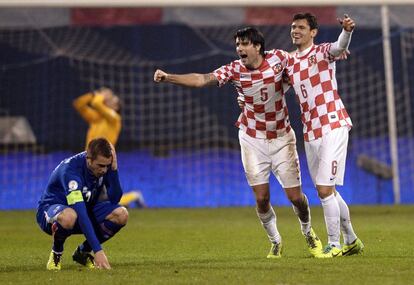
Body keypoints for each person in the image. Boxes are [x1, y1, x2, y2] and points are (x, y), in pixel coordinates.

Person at [153, 27, 323, 258]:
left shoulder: (279, 58)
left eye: (244, 44)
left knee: (296, 198)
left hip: (282, 138)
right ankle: (275, 241)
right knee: (262, 199)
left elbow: (303, 63)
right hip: (252, 139)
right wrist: (169, 77)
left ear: (257, 47)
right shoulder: (235, 69)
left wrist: (332, 53)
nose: (240, 49)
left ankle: (308, 231)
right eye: (237, 45)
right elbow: (203, 79)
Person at [285, 13, 364, 257]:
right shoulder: (289, 63)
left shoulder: (322, 52)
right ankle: (351, 239)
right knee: (329, 191)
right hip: (310, 132)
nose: (295, 30)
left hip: (333, 124)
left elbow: (339, 46)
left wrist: (347, 31)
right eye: (293, 27)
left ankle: (334, 244)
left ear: (313, 32)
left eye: (301, 27)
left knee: (323, 189)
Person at [36, 137, 128, 270]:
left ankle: (82, 252)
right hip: (52, 212)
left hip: (83, 209)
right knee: (69, 216)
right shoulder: (71, 171)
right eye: (101, 166)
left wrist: (114, 170)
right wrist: (98, 250)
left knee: (121, 214)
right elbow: (80, 212)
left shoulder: (104, 167)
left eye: (107, 166)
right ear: (88, 159)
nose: (104, 170)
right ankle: (56, 253)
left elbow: (115, 199)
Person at [73, 88, 145, 208]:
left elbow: (96, 103)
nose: (109, 100)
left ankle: (134, 196)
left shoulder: (115, 119)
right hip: (88, 160)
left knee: (103, 200)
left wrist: (101, 95)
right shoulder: (96, 118)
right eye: (109, 99)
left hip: (103, 162)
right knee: (93, 198)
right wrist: (92, 94)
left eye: (113, 100)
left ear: (116, 107)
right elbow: (79, 104)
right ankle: (133, 196)